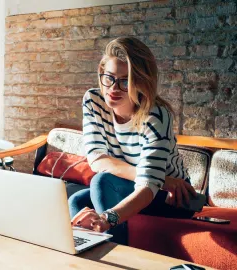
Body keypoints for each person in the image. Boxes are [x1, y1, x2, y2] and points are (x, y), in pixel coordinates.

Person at [68, 37, 197, 245]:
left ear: (140, 82)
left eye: (125, 81)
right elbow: (97, 160)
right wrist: (160, 177)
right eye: (109, 77)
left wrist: (107, 218)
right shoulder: (94, 101)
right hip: (147, 183)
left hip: (174, 196)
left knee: (101, 182)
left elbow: (147, 187)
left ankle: (118, 262)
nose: (114, 88)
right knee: (76, 201)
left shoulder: (156, 116)